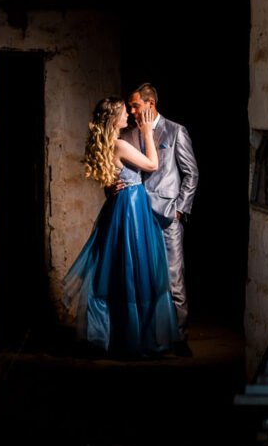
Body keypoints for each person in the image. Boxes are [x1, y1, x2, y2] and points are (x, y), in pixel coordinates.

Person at [63, 97, 180, 358]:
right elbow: (152, 165)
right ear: (114, 118)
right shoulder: (119, 145)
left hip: (118, 206)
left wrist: (110, 188)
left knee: (117, 270)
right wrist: (147, 132)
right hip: (131, 209)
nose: (128, 115)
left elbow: (110, 181)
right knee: (135, 269)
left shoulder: (105, 144)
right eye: (125, 112)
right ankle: (136, 339)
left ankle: (114, 335)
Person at [121, 83, 198, 357]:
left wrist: (179, 210)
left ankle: (179, 338)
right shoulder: (128, 134)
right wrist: (113, 186)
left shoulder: (175, 131)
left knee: (174, 279)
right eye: (130, 107)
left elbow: (191, 174)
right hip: (136, 216)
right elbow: (119, 169)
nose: (131, 111)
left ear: (150, 104)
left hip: (167, 216)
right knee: (143, 278)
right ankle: (151, 338)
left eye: (135, 106)